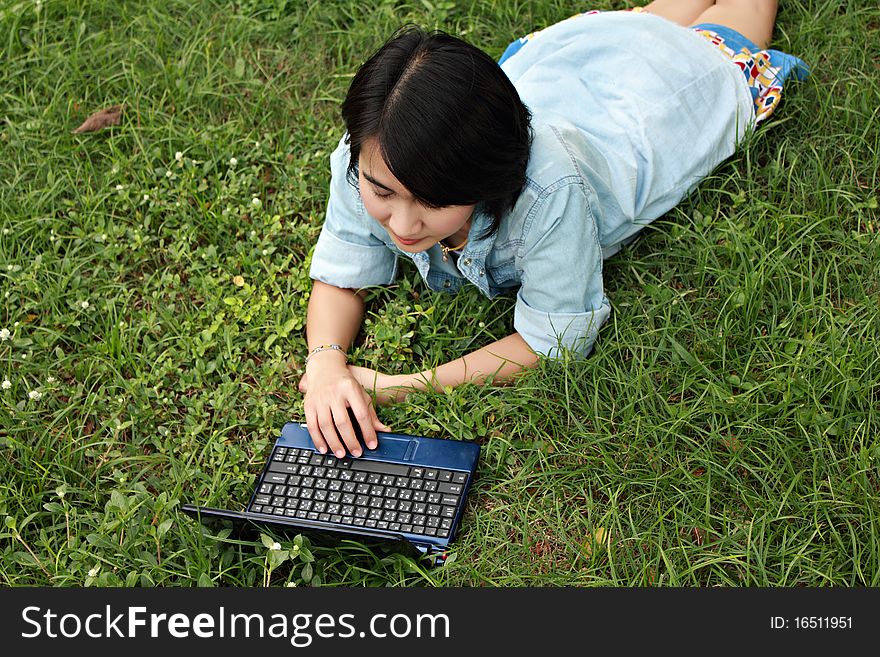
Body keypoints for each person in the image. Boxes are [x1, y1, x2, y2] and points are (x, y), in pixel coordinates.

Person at [297, 0, 808, 458]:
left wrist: (403, 384)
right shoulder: (369, 152)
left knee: (737, 18)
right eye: (383, 193)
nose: (403, 225)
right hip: (577, 59)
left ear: (486, 175)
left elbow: (552, 340)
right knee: (643, 22)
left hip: (657, 95)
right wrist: (324, 363)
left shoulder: (548, 191)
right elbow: (342, 274)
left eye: (435, 200)